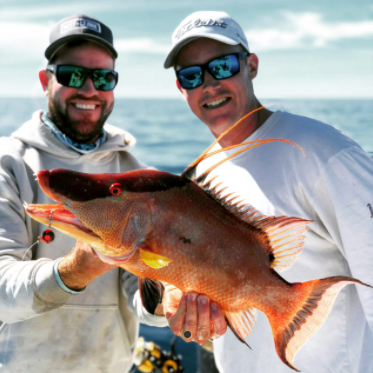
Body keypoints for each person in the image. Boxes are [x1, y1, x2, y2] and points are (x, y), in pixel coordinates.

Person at [162, 11, 373, 373]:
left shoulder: (323, 152)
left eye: (223, 65)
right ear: (182, 88)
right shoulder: (197, 177)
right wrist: (171, 295)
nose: (209, 84)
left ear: (252, 65)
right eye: (192, 75)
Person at [0, 14, 169, 372]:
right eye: (72, 75)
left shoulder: (136, 172)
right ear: (46, 80)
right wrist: (75, 270)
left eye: (104, 77)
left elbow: (146, 307)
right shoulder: (8, 163)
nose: (89, 89)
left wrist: (170, 298)